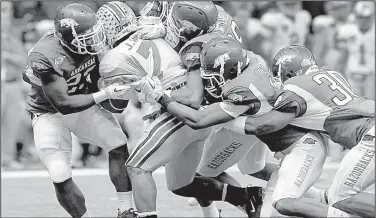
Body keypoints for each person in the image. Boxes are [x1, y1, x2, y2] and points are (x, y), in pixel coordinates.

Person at [97, 3, 263, 218]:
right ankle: (246, 198)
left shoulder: (191, 43)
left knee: (137, 168)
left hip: (190, 108)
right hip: (211, 103)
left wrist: (155, 94)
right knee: (182, 183)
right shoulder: (198, 26)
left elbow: (116, 106)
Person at [223, 45, 375, 218]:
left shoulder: (295, 88)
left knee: (341, 197)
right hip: (369, 126)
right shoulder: (332, 73)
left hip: (370, 136)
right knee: (333, 196)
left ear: (287, 73)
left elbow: (262, 125)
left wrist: (226, 118)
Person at [21, 3, 136, 218]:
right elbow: (63, 104)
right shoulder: (45, 54)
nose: (94, 41)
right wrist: (105, 93)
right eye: (86, 38)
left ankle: (126, 210)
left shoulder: (98, 41)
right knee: (59, 172)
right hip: (49, 113)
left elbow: (118, 105)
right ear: (66, 39)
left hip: (86, 105)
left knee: (118, 143)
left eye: (95, 34)